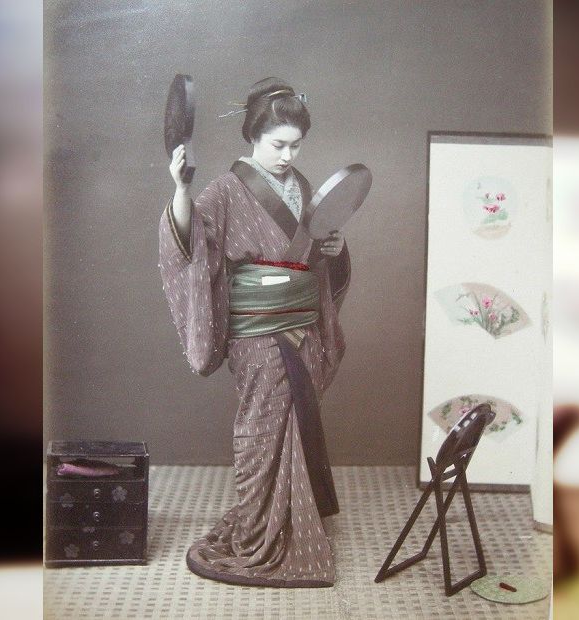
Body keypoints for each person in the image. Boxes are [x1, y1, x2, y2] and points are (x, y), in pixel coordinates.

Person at [159, 77, 350, 587]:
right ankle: (257, 531)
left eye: (295, 146)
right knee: (261, 429)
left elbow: (309, 252)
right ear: (252, 137)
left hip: (301, 322)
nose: (287, 156)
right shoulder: (225, 190)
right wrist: (181, 189)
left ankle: (290, 520)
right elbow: (189, 244)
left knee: (295, 422)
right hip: (257, 331)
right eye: (277, 145)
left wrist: (332, 250)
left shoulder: (302, 187)